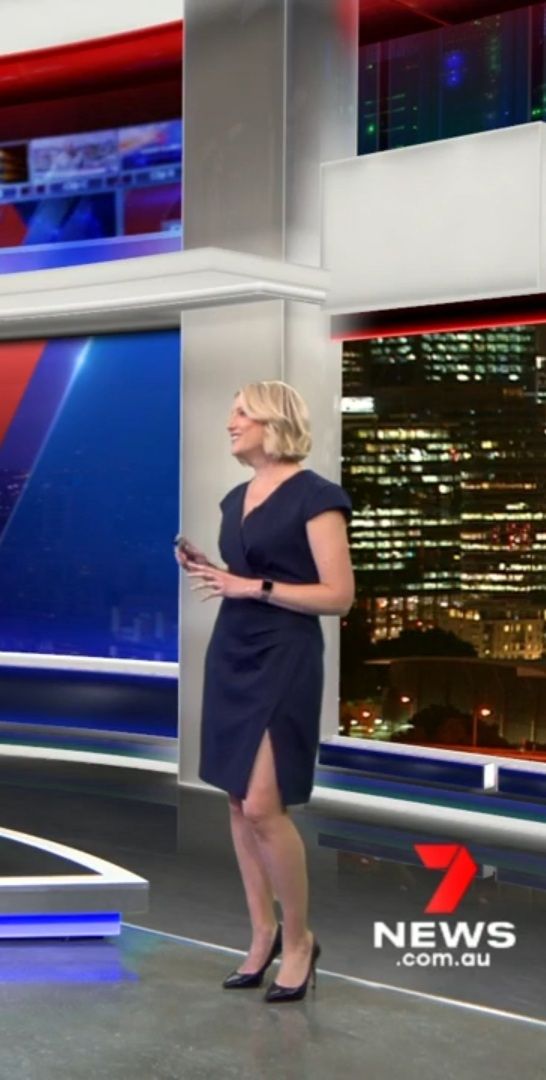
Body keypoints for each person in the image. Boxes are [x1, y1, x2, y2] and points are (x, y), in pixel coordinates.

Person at [175, 380, 354, 1003]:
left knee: (262, 807)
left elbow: (339, 595)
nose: (231, 423)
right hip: (233, 650)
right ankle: (262, 934)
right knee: (235, 800)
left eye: (241, 413)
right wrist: (213, 571)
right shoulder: (234, 498)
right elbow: (244, 576)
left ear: (273, 422)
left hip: (284, 656)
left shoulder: (317, 497)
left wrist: (253, 588)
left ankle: (300, 942)